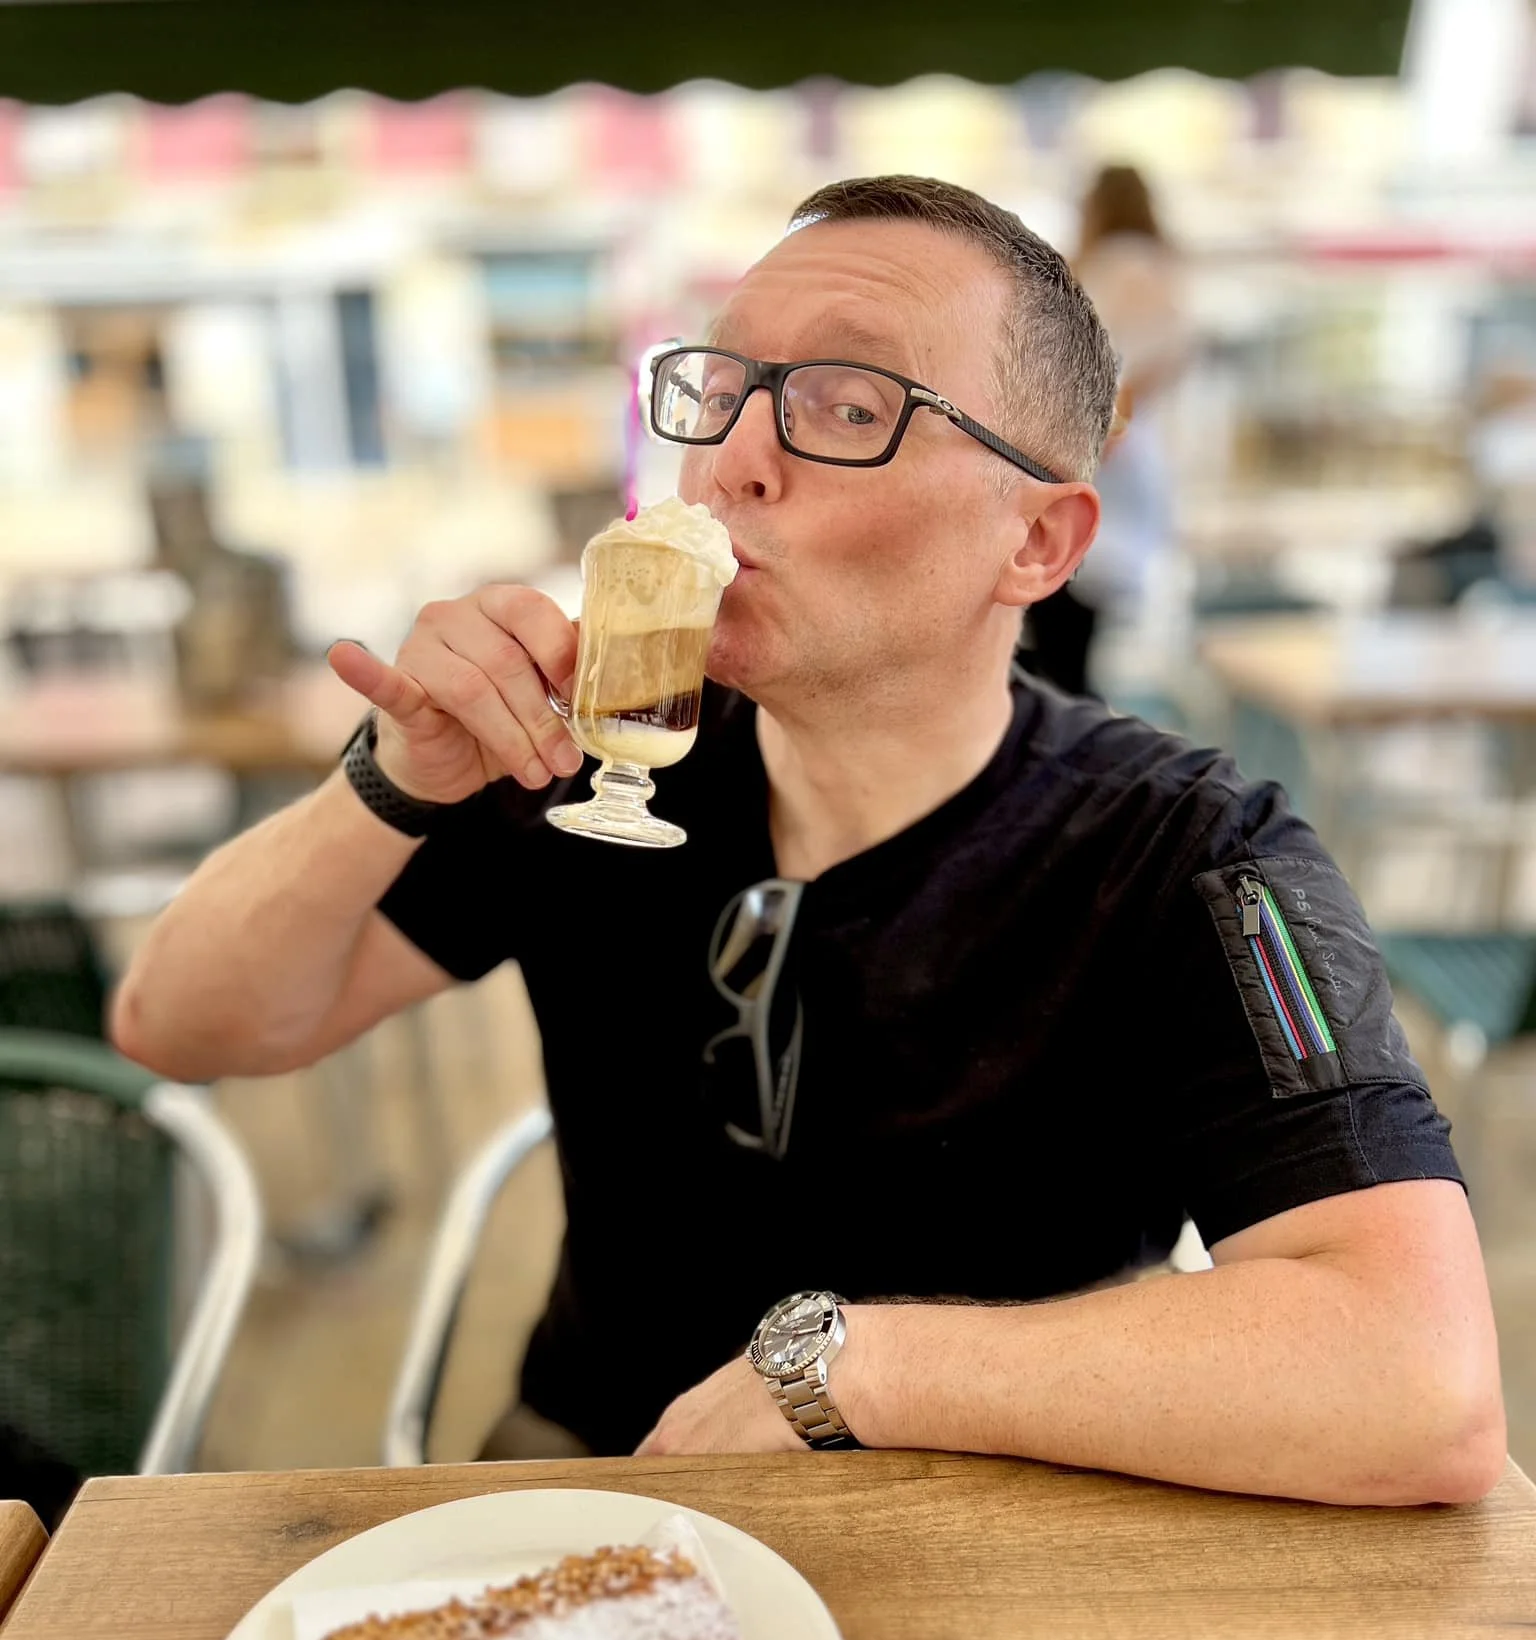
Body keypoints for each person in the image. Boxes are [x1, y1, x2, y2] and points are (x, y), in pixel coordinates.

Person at [110, 175, 1504, 1507]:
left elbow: (1419, 1380)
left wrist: (850, 1367)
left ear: (1038, 541)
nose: (732, 462)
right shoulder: (583, 756)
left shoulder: (1192, 855)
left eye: (847, 404)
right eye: (719, 392)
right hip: (599, 1461)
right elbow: (184, 1023)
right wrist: (398, 775)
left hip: (1005, 1518)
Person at [1022, 164, 1189, 698]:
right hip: (1120, 459)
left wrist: (1078, 447)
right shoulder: (1157, 267)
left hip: (1101, 458)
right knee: (1070, 637)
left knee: (1063, 639)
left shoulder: (1123, 267)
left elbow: (1116, 373)